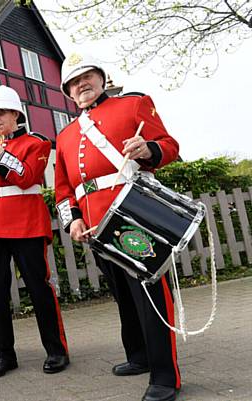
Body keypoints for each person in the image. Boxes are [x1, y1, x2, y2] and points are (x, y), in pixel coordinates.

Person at [54, 53, 180, 401]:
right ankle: (137, 356)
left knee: (150, 296)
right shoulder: (65, 135)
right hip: (95, 226)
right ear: (67, 91)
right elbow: (63, 189)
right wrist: (73, 220)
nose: (81, 84)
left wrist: (148, 149)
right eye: (73, 81)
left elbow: (170, 147)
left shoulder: (134, 105)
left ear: (101, 77)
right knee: (123, 295)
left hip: (134, 217)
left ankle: (165, 377)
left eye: (87, 76)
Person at [0, 85, 69, 378]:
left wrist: (0, 153)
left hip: (25, 221)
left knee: (39, 288)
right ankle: (4, 354)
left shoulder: (35, 142)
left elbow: (27, 178)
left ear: (15, 114)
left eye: (0, 114)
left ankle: (56, 349)